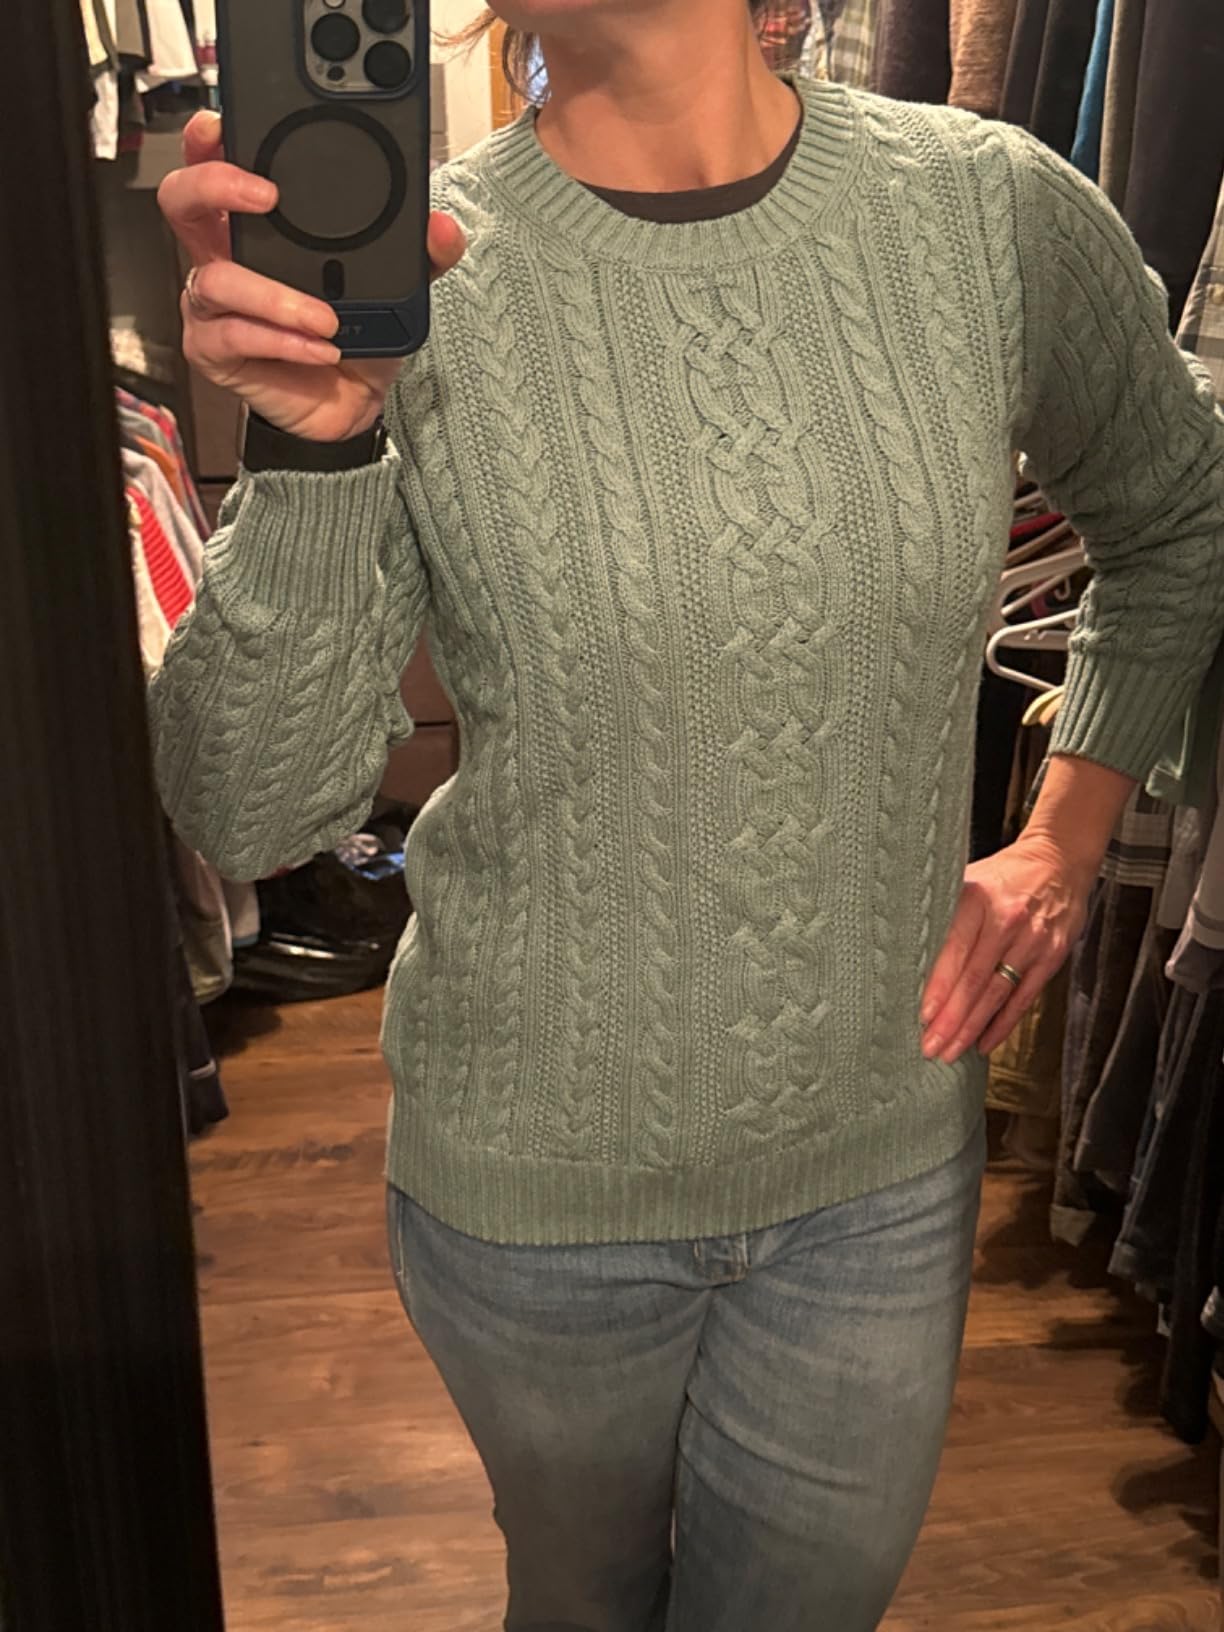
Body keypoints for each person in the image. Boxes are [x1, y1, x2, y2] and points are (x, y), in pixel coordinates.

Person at [152, 2, 1224, 1627]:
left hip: (874, 1171)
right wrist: (311, 453)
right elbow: (248, 807)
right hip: (534, 1189)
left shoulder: (986, 210)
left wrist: (1063, 838)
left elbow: (1180, 516)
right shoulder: (420, 273)